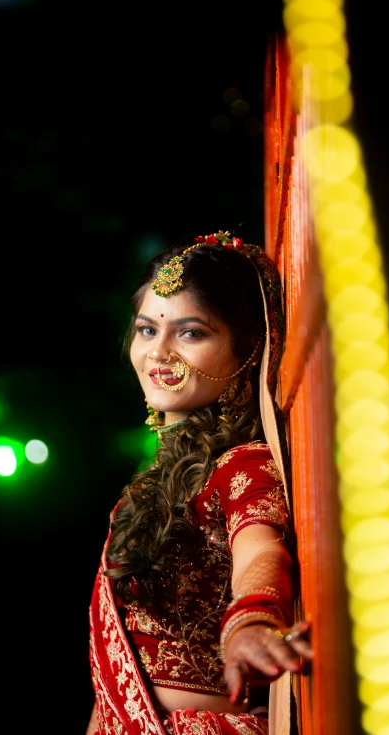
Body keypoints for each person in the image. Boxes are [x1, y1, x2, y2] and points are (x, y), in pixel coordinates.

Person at [86, 230, 313, 735]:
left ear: (248, 349)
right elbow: (115, 681)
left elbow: (261, 552)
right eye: (147, 330)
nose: (159, 353)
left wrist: (251, 622)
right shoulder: (153, 483)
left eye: (190, 333)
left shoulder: (242, 465)